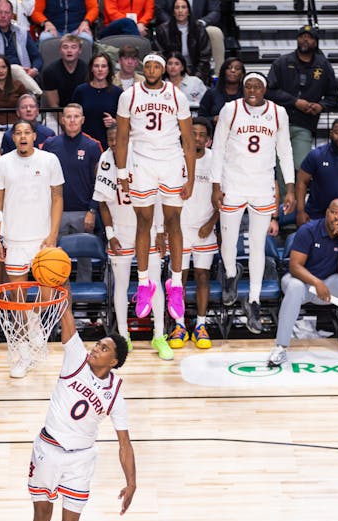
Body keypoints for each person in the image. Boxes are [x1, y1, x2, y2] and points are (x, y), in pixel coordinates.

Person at [22, 301, 134, 521]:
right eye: (97, 344)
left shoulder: (115, 393)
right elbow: (65, 314)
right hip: (47, 449)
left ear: (114, 361)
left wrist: (131, 482)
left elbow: (124, 443)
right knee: (40, 516)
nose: (95, 349)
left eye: (103, 348)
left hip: (80, 460)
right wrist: (60, 289)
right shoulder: (75, 359)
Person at [211, 71, 295, 333]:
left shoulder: (278, 113)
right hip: (233, 183)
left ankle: (254, 300)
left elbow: (285, 151)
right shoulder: (230, 109)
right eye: (248, 86)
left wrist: (290, 188)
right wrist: (215, 185)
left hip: (262, 186)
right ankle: (231, 272)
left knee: (258, 245)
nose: (252, 90)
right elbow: (218, 149)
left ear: (264, 89)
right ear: (243, 88)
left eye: (257, 86)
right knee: (228, 241)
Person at [115, 53, 195, 324]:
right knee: (143, 222)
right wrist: (121, 172)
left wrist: (190, 178)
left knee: (174, 222)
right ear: (143, 68)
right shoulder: (129, 95)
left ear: (163, 70)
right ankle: (143, 283)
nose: (151, 70)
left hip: (171, 161)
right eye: (147, 66)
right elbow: (122, 137)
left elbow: (188, 139)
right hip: (142, 162)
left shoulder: (177, 96)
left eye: (156, 66)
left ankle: (176, 284)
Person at [0, 119, 65, 377]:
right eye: (18, 133)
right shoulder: (2, 163)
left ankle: (35, 322)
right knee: (17, 300)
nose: (23, 137)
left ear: (35, 136)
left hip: (42, 240)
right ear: (13, 138)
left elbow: (58, 197)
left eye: (27, 132)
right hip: (13, 239)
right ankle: (23, 353)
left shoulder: (49, 160)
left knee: (47, 297)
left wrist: (53, 235)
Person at [266, 199, 338, 368]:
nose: (336, 217)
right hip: (301, 280)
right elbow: (295, 266)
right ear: (327, 213)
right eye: (333, 212)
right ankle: (280, 347)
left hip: (329, 281)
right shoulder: (308, 230)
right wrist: (316, 282)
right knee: (294, 287)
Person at [94, 123, 169, 357]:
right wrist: (110, 234)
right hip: (122, 231)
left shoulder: (144, 158)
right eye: (110, 139)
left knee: (154, 282)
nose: (114, 143)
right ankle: (124, 335)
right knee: (121, 284)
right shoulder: (105, 161)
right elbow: (102, 202)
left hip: (148, 228)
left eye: (118, 138)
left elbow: (159, 198)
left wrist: (160, 230)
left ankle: (159, 336)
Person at [169, 117, 218, 349]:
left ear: (208, 139)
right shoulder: (176, 159)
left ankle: (200, 325)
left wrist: (212, 222)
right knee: (179, 279)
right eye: (193, 134)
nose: (197, 138)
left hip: (205, 228)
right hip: (180, 229)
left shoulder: (214, 160)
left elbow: (223, 196)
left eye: (201, 135)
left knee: (202, 277)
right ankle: (179, 325)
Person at [266, 25, 338, 170]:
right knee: (280, 167)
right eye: (302, 36)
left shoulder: (323, 65)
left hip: (305, 124)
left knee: (302, 167)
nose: (305, 40)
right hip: (278, 123)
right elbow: (269, 91)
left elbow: (334, 95)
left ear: (316, 42)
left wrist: (321, 106)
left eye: (309, 37)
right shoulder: (282, 62)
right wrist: (294, 102)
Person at [42, 103, 102, 238]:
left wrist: (92, 210)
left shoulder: (92, 146)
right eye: (68, 117)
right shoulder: (50, 145)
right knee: (55, 250)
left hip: (83, 212)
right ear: (62, 120)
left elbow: (99, 181)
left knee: (84, 251)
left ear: (83, 120)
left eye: (76, 116)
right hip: (55, 211)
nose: (72, 120)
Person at [0, 0, 39, 86]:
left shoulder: (23, 32)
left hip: (23, 78)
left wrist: (34, 70)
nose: (3, 16)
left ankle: (35, 91)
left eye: (7, 13)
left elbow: (37, 57)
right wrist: (9, 72)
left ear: (12, 15)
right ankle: (37, 91)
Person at [70, 52, 122, 150]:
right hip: (84, 143)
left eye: (104, 66)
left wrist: (114, 122)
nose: (100, 69)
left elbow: (125, 120)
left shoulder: (117, 93)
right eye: (96, 66)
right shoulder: (81, 91)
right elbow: (72, 115)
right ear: (91, 68)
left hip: (110, 144)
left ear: (109, 69)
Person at [154, 0, 212, 82]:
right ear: (173, 12)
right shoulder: (163, 30)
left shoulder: (199, 29)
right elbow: (160, 56)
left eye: (183, 7)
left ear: (188, 12)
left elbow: (205, 58)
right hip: (171, 72)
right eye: (177, 8)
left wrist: (196, 78)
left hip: (195, 71)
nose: (180, 10)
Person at [41, 34, 88, 110]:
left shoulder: (88, 71)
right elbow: (54, 105)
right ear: (60, 50)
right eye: (65, 47)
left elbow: (88, 101)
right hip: (58, 112)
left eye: (73, 47)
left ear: (79, 50)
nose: (69, 51)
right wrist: (65, 118)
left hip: (82, 112)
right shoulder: (49, 72)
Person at [198, 56, 243, 122]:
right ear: (223, 71)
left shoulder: (247, 94)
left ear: (242, 73)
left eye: (237, 68)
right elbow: (200, 118)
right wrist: (213, 119)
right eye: (229, 68)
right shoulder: (211, 93)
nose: (233, 71)